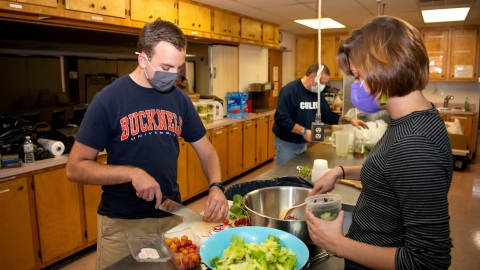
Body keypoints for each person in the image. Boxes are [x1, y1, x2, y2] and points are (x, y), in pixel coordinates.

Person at [65, 19, 228, 269]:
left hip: (172, 215)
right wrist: (132, 173)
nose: (173, 76)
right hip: (123, 222)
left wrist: (216, 185)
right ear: (143, 59)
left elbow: (206, 150)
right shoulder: (108, 100)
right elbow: (75, 167)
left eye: (178, 68)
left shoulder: (179, 100)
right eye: (166, 67)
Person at [305, 16, 452, 270]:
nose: (356, 86)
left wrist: (337, 244)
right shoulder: (410, 121)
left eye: (359, 76)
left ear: (385, 68)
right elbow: (392, 173)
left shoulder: (416, 145)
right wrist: (340, 172)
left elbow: (427, 261)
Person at [272, 63, 368, 166]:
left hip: (302, 143)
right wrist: (304, 132)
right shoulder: (290, 91)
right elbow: (281, 118)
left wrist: (350, 121)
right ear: (313, 77)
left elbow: (327, 115)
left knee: (297, 174)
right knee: (284, 176)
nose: (324, 86)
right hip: (286, 143)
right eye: (322, 83)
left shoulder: (317, 93)